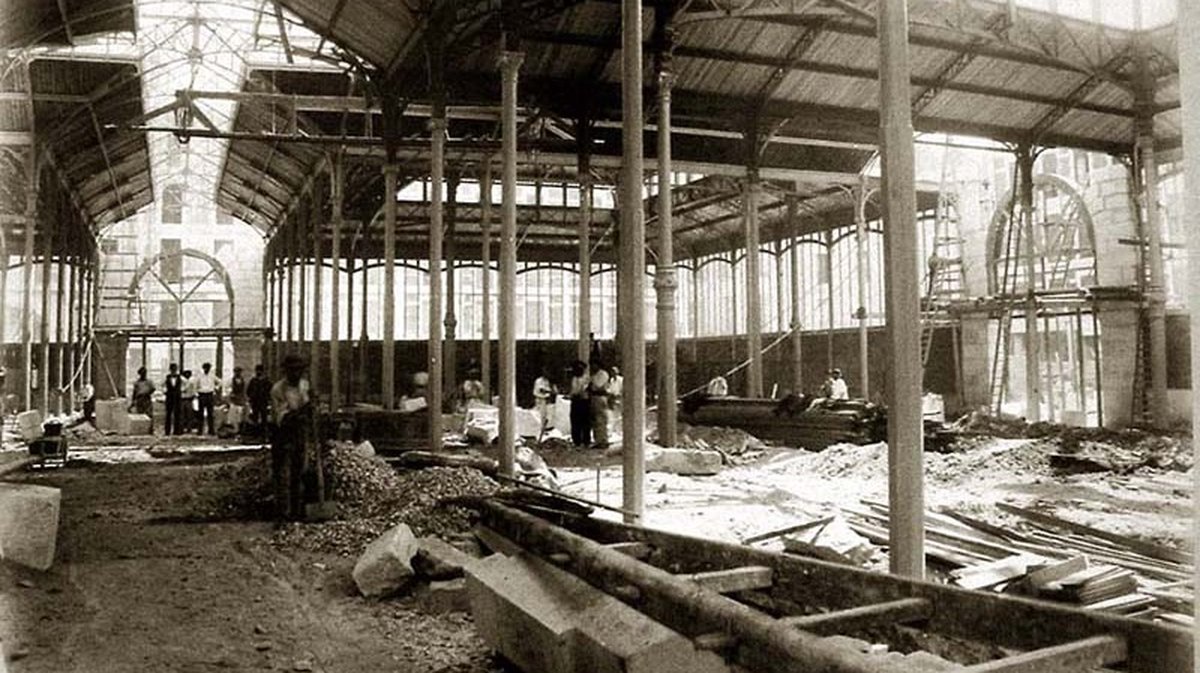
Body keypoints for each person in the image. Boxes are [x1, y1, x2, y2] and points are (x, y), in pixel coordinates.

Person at [270, 354, 312, 522]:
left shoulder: (304, 386)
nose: (296, 374)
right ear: (286, 372)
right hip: (283, 435)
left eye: (299, 371)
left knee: (299, 472)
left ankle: (297, 510)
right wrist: (303, 411)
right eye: (292, 371)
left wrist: (311, 408)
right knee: (282, 473)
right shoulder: (278, 390)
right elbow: (282, 418)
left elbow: (308, 410)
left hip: (300, 433)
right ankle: (282, 512)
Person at [589, 360, 612, 450]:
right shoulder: (594, 375)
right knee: (595, 420)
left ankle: (603, 440)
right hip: (594, 397)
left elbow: (597, 386)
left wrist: (591, 386)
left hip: (600, 397)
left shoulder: (603, 374)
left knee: (601, 419)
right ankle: (597, 440)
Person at [567, 360, 591, 448]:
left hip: (583, 401)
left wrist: (574, 393)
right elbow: (573, 390)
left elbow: (581, 390)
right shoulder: (574, 378)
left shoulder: (586, 378)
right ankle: (576, 441)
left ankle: (586, 441)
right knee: (575, 421)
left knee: (585, 422)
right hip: (575, 401)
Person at [195, 362, 221, 435]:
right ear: (203, 368)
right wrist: (197, 392)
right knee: (201, 414)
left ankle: (211, 430)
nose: (207, 369)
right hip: (202, 394)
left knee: (210, 413)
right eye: (205, 368)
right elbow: (195, 384)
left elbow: (219, 382)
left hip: (209, 394)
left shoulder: (212, 376)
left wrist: (215, 388)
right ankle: (200, 430)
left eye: (208, 368)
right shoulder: (199, 376)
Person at [129, 367, 155, 434]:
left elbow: (153, 389)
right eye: (142, 373)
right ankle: (142, 429)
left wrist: (147, 392)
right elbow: (134, 392)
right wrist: (133, 402)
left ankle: (150, 430)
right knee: (140, 414)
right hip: (139, 399)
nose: (144, 374)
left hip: (146, 398)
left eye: (145, 373)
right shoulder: (137, 383)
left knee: (149, 414)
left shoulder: (149, 382)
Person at [164, 364, 182, 435]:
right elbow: (162, 385)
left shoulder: (180, 377)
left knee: (177, 414)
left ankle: (177, 431)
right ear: (170, 369)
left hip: (177, 397)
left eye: (175, 369)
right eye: (173, 369)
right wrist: (165, 391)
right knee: (168, 414)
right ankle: (167, 431)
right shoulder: (167, 377)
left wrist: (181, 391)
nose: (174, 370)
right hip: (169, 397)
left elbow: (186, 384)